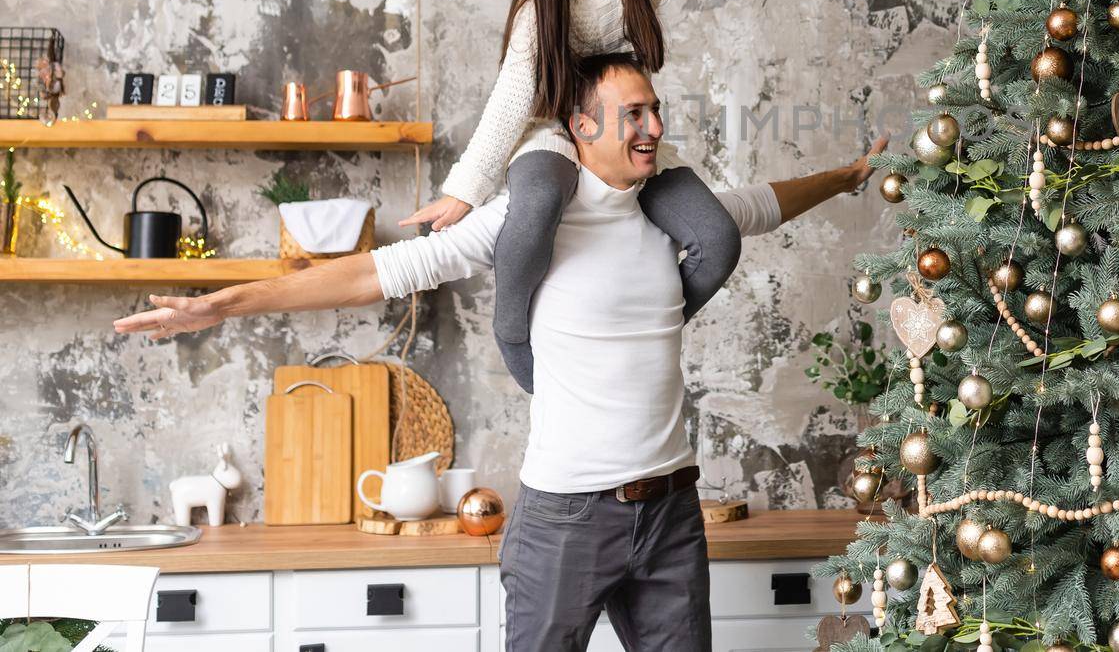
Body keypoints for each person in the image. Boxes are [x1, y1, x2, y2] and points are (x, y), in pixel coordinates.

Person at [115, 53, 884, 652]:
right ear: (581, 128)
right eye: (633, 114)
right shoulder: (529, 217)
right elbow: (380, 272)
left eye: (655, 110)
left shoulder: (671, 214)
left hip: (671, 511)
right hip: (567, 520)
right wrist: (223, 302)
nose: (653, 127)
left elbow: (767, 203)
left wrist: (847, 177)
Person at [397, 0, 852, 396]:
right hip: (555, 131)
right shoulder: (544, 9)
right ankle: (515, 336)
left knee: (717, 236)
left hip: (623, 135)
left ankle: (635, 334)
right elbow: (511, 96)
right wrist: (465, 190)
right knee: (534, 206)